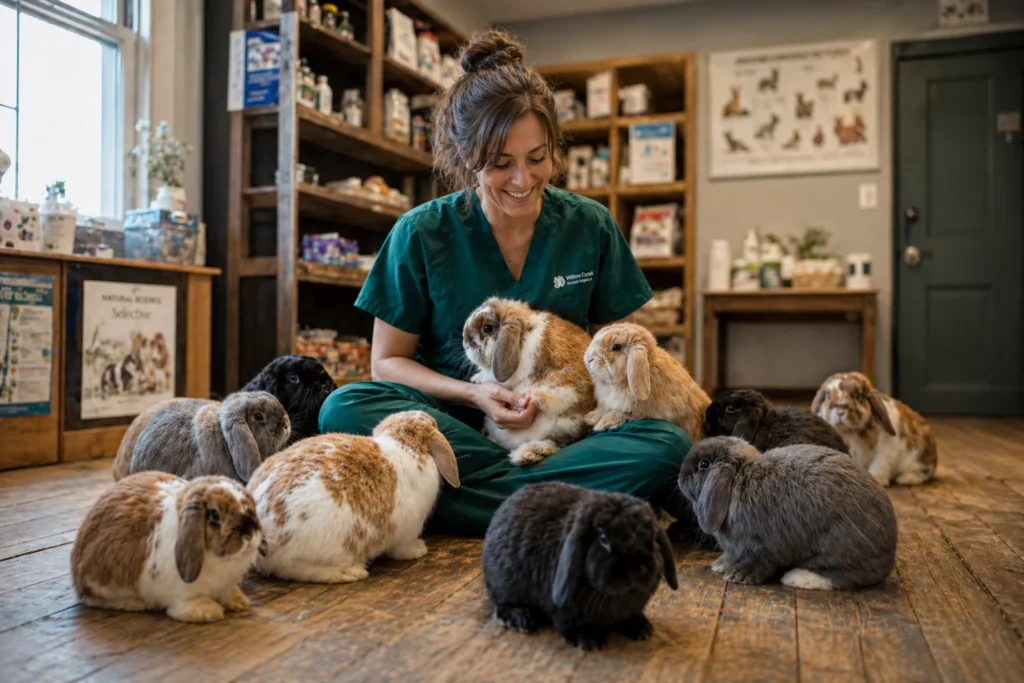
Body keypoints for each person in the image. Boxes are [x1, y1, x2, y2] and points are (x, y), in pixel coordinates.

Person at [319, 29, 691, 536]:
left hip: (561, 432)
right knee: (345, 406)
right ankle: (552, 502)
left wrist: (563, 407)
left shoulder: (590, 225)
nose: (522, 180)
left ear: (555, 147)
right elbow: (387, 361)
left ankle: (462, 501)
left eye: (538, 158)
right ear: (461, 151)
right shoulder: (422, 232)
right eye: (500, 164)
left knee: (666, 444)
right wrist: (475, 396)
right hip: (459, 426)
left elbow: (620, 356)